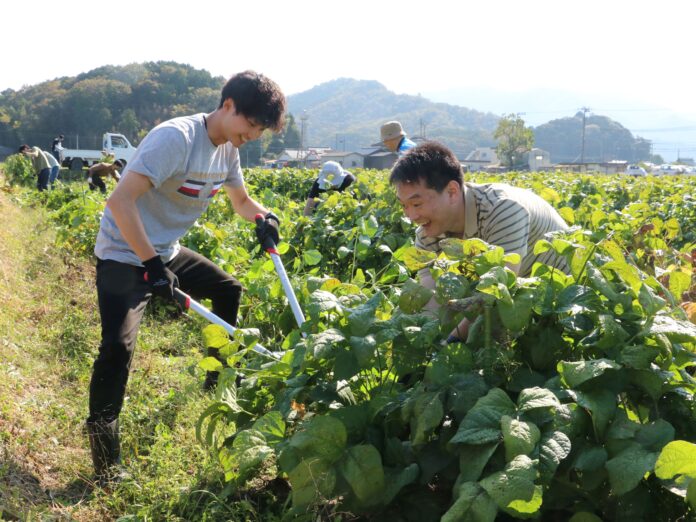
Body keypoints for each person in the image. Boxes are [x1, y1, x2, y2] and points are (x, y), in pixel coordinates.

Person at [86, 70, 286, 486]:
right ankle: (104, 456)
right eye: (251, 125)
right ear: (228, 105)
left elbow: (241, 200)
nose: (253, 135)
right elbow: (120, 202)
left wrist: (264, 217)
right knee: (118, 346)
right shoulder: (174, 138)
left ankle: (216, 381)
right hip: (124, 252)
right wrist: (152, 268)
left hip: (165, 252)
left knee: (228, 289)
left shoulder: (228, 149)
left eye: (259, 130)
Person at [390, 141, 569, 343]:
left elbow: (497, 294)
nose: (411, 215)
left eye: (416, 204)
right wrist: (417, 340)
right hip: (522, 297)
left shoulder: (502, 209)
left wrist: (450, 343)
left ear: (452, 192)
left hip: (565, 299)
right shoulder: (427, 232)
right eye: (404, 206)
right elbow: (431, 296)